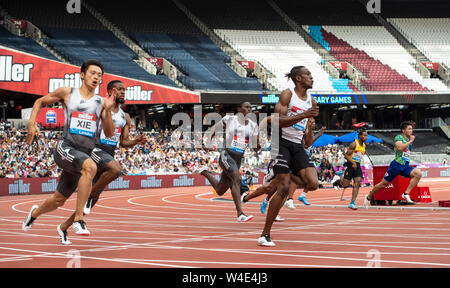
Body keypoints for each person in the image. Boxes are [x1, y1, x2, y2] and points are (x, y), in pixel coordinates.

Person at [22, 60, 115, 237]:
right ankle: (79, 219)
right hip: (65, 147)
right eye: (92, 73)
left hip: (82, 155)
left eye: (99, 75)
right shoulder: (68, 93)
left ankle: (34, 214)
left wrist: (109, 111)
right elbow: (40, 101)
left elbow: (109, 133)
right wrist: (31, 124)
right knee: (91, 166)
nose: (96, 77)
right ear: (82, 75)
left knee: (58, 200)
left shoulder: (101, 102)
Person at [56, 80, 147, 245]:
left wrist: (136, 141)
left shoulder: (125, 117)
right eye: (120, 90)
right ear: (112, 91)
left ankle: (64, 227)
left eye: (124, 90)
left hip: (108, 154)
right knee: (116, 169)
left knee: (85, 207)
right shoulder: (99, 107)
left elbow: (124, 142)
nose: (123, 92)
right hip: (94, 149)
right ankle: (90, 195)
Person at [258, 66, 319, 247]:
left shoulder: (312, 101)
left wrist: (310, 128)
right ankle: (265, 234)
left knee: (313, 183)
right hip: (280, 142)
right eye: (308, 74)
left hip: (297, 145)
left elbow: (307, 143)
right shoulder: (287, 94)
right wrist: (304, 115)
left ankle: (281, 173)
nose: (311, 77)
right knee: (283, 187)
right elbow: (278, 122)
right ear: (298, 78)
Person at [198, 102, 259, 222]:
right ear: (239, 109)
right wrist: (208, 142)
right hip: (227, 155)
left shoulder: (253, 125)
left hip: (237, 160)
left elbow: (255, 146)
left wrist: (259, 147)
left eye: (250, 108)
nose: (249, 109)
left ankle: (205, 173)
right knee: (237, 178)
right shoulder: (230, 119)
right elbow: (213, 129)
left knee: (220, 190)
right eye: (246, 107)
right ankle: (240, 213)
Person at [364, 121, 422, 207]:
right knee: (383, 184)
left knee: (418, 174)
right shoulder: (398, 137)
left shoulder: (409, 139)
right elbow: (399, 148)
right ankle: (369, 196)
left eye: (412, 129)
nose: (411, 131)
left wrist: (410, 140)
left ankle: (406, 194)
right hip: (396, 165)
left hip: (405, 166)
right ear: (403, 130)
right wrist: (410, 141)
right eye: (409, 129)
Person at [340, 128, 368, 210]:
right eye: (364, 135)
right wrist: (353, 163)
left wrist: (356, 163)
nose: (365, 137)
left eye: (366, 135)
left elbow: (359, 156)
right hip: (350, 165)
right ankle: (341, 177)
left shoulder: (364, 146)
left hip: (357, 165)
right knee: (345, 185)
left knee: (357, 183)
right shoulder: (354, 144)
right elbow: (346, 155)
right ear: (360, 136)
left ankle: (352, 202)